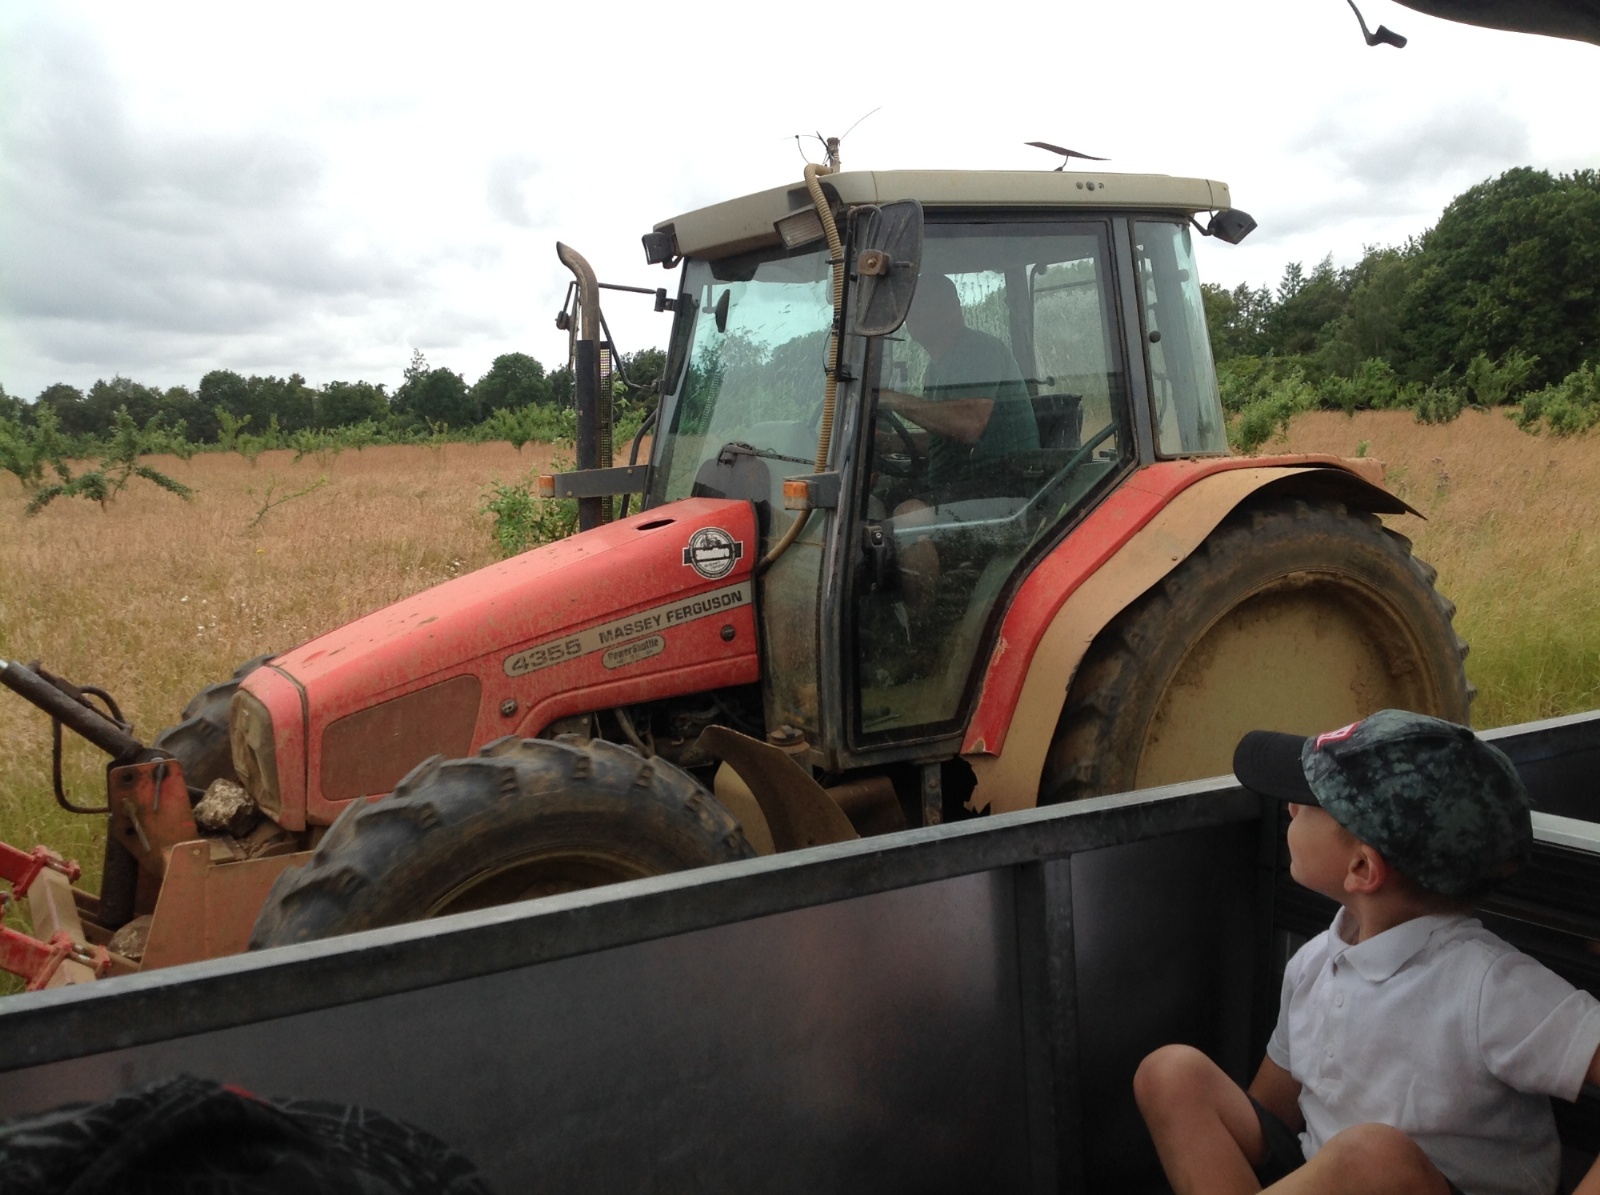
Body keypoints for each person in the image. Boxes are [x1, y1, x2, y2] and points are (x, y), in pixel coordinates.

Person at [1134, 709, 1600, 1195]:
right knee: (1171, 1075)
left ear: (1361, 868)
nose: (1290, 808)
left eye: (1310, 802)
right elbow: (1272, 1111)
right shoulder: (1316, 962)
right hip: (1320, 1174)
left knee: (1372, 1156)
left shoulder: (1486, 987)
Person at [875, 272, 1038, 498]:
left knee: (906, 511)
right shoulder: (936, 368)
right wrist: (889, 443)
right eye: (909, 306)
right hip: (961, 485)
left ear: (952, 308)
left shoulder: (978, 350)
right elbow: (943, 443)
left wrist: (888, 397)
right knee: (880, 499)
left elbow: (969, 424)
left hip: (1001, 485)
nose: (911, 314)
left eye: (923, 304)